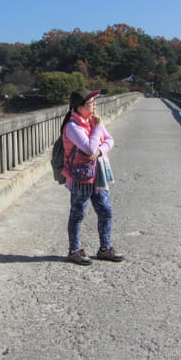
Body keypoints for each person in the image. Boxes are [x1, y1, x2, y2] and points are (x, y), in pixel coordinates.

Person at [60, 88, 124, 265]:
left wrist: (100, 151)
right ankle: (74, 250)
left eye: (95, 101)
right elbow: (88, 148)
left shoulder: (92, 121)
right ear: (80, 107)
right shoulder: (73, 126)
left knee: (106, 211)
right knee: (78, 213)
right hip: (81, 176)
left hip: (98, 173)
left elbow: (109, 140)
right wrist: (97, 129)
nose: (95, 105)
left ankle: (105, 248)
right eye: (91, 102)